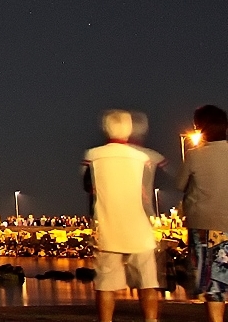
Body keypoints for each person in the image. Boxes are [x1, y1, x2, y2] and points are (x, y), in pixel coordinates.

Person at [84, 109, 166, 322]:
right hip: (139, 228)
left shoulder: (92, 156)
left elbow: (88, 187)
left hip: (109, 227)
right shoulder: (144, 157)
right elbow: (150, 186)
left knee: (106, 285)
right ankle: (151, 319)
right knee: (147, 282)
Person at [177, 104, 228, 322]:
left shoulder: (194, 155)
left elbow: (180, 184)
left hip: (204, 226)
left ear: (200, 127)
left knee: (213, 285)